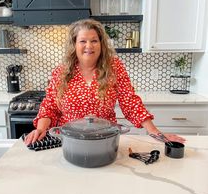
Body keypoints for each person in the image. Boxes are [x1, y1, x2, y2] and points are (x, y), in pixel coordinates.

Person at [24, 19, 185, 145]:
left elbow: (129, 102)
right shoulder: (61, 72)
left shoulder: (114, 67)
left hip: (105, 139)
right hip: (69, 140)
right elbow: (50, 106)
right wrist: (40, 129)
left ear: (101, 44)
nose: (89, 46)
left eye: (94, 40)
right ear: (74, 45)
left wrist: (154, 131)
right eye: (83, 41)